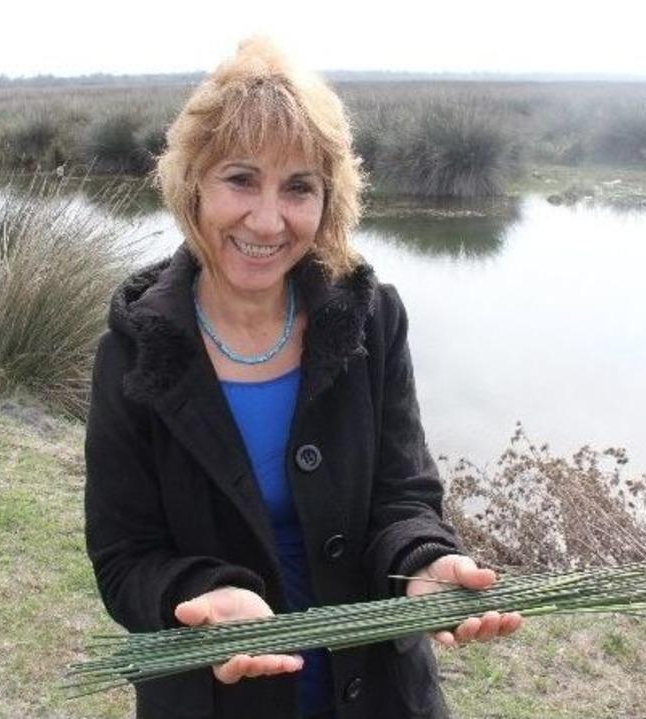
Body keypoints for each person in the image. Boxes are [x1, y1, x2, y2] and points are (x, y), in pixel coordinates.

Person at [84, 37, 522, 719]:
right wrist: (205, 594)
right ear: (193, 182)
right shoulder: (135, 349)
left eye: (298, 187)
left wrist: (425, 563)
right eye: (240, 179)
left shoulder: (370, 319)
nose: (267, 219)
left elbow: (403, 496)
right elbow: (125, 557)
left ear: (329, 199)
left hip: (379, 697)